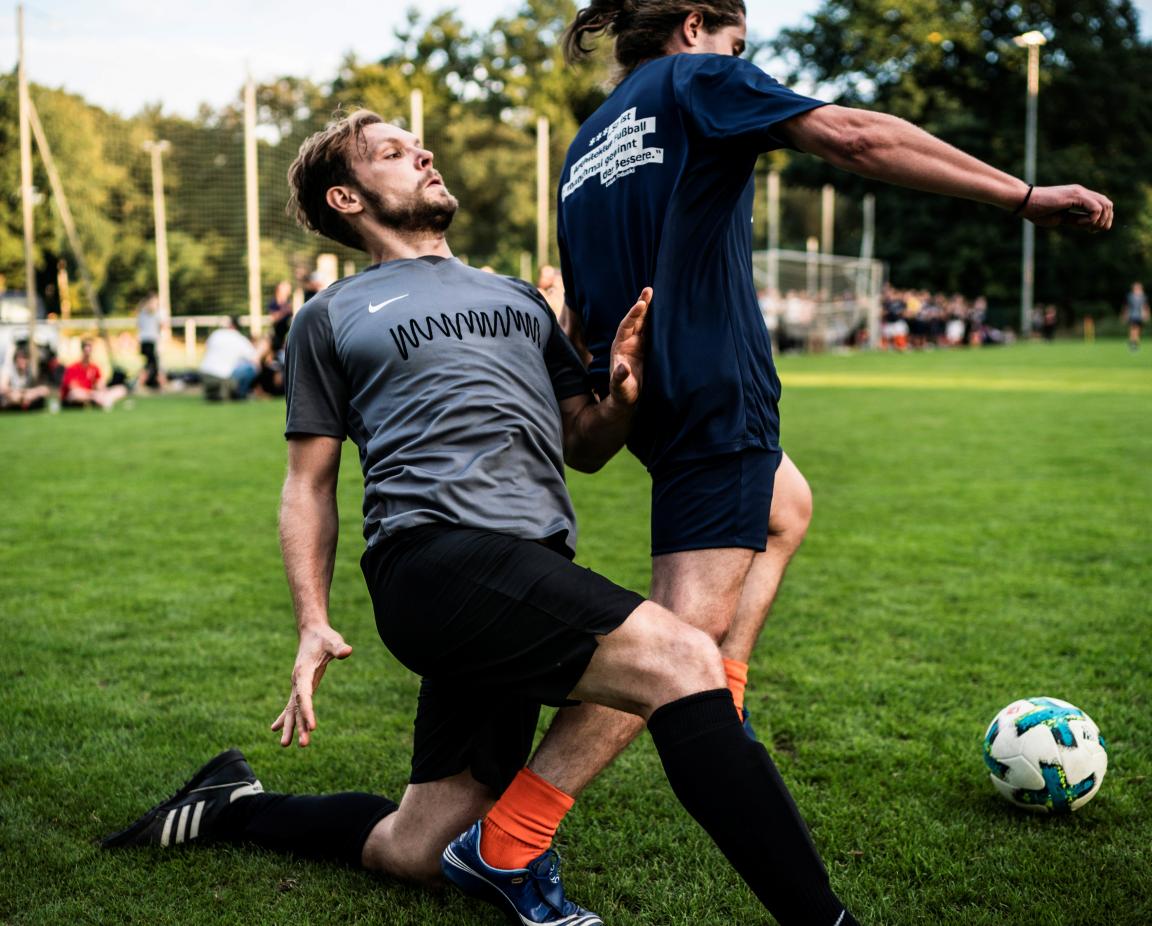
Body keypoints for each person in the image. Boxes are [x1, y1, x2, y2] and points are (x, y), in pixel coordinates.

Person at [102, 111, 860, 926]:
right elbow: (307, 484)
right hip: (431, 563)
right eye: (393, 152)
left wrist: (620, 396)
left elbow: (584, 442)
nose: (423, 153)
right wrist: (312, 619)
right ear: (346, 198)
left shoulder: (517, 298)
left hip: (527, 573)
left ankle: (235, 806)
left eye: (416, 144)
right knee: (682, 658)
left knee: (422, 848)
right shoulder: (330, 316)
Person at [549, 0, 1114, 803]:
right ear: (693, 26)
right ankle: (508, 839)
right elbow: (854, 136)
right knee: (680, 638)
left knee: (786, 507)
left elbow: (576, 315)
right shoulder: (698, 76)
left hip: (643, 397)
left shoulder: (584, 147)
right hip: (716, 387)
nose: (740, 60)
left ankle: (722, 714)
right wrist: (1023, 196)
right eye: (737, 43)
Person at [199, 316, 259, 400]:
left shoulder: (216, 334)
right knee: (250, 368)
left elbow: (207, 348)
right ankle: (240, 394)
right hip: (223, 376)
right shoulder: (241, 339)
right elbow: (255, 360)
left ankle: (216, 392)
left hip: (205, 373)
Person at [60, 339, 128, 409]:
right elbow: (72, 387)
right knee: (76, 393)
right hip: (79, 395)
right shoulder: (73, 367)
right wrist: (92, 393)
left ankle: (101, 400)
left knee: (121, 389)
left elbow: (99, 383)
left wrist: (101, 389)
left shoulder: (94, 367)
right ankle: (100, 401)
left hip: (93, 394)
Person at [135, 293, 163, 389]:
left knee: (151, 363)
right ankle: (142, 382)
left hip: (151, 340)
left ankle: (151, 382)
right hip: (148, 341)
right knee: (151, 363)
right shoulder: (145, 313)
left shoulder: (144, 313)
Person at [267, 280, 295, 354]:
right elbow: (274, 318)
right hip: (277, 334)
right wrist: (284, 311)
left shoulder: (289, 302)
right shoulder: (274, 302)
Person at [1125, 281, 1148, 351]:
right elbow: (1127, 306)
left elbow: (1144, 306)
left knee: (1138, 330)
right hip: (1132, 315)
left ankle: (1135, 343)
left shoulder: (1143, 297)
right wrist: (1126, 314)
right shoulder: (1130, 296)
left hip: (1139, 316)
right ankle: (1132, 342)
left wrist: (1145, 314)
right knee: (1132, 329)